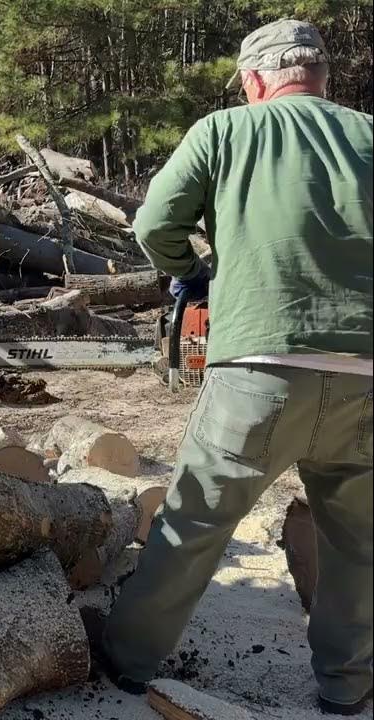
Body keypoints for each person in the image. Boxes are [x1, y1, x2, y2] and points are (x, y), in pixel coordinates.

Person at [93, 19, 374, 716]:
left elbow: (154, 224)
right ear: (322, 76)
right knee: (359, 544)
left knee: (192, 524)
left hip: (258, 368)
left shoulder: (224, 131)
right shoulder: (368, 133)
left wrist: (192, 276)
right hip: (367, 370)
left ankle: (126, 665)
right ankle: (347, 687)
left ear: (254, 81)